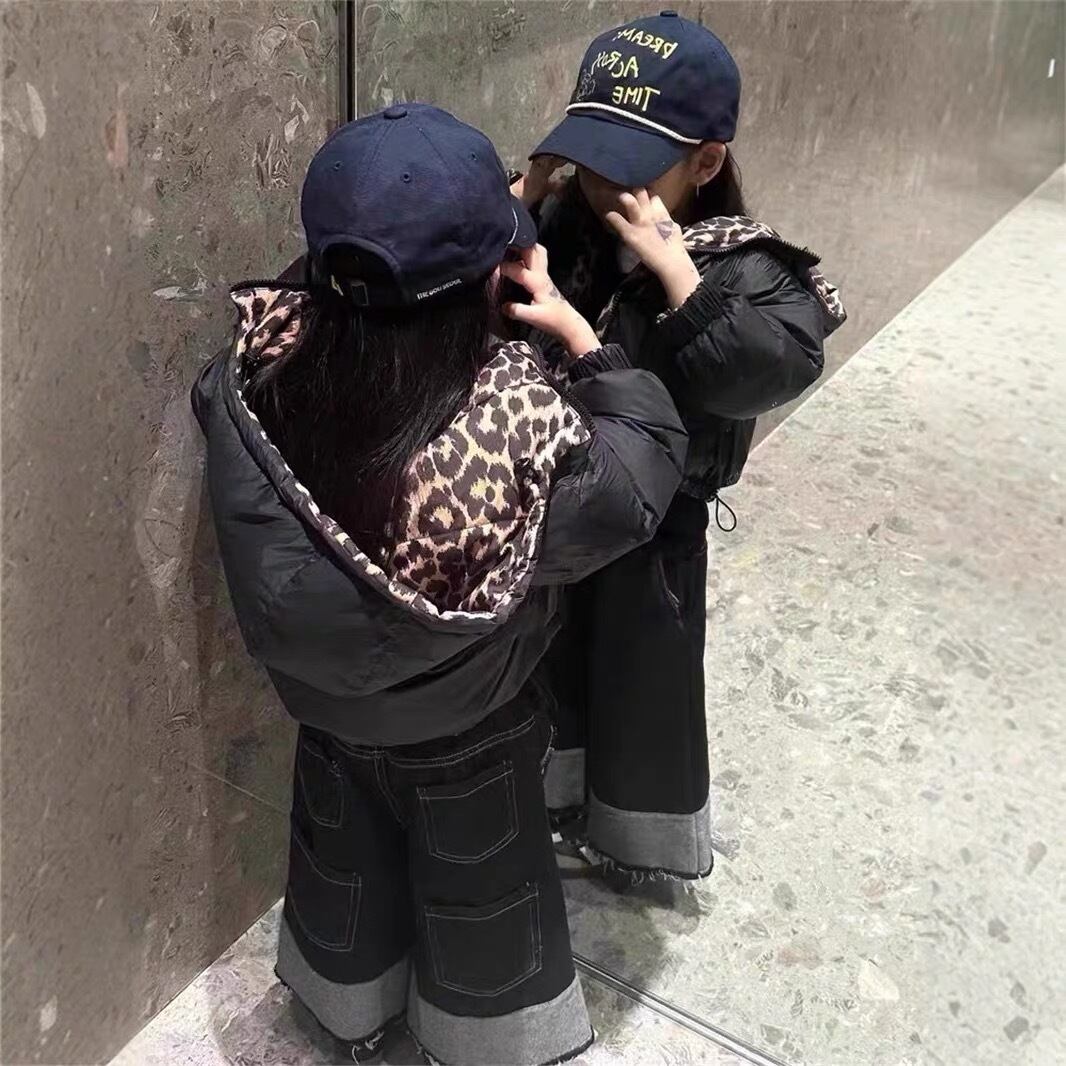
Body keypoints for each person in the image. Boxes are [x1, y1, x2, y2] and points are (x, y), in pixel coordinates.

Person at [192, 103, 687, 1065]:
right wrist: (587, 344)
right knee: (484, 896)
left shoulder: (249, 374)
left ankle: (346, 1008)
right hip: (473, 730)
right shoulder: (516, 428)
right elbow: (635, 484)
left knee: (342, 870)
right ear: (496, 278)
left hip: (329, 723)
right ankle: (489, 1037)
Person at [513, 11, 847, 882]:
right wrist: (524, 199)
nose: (600, 184)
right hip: (564, 492)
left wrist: (680, 276)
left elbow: (763, 372)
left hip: (661, 522)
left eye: (627, 166)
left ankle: (636, 841)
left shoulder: (749, 263)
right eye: (588, 156)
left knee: (645, 682)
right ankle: (552, 795)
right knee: (551, 662)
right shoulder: (568, 220)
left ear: (705, 162)